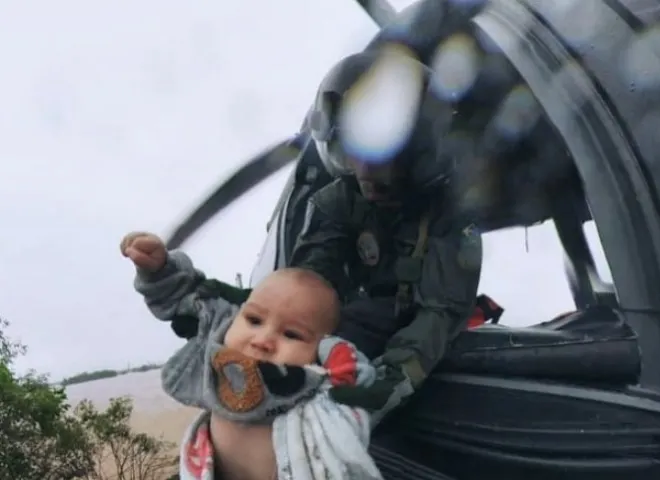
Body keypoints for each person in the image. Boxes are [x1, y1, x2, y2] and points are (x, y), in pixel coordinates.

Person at [167, 46, 483, 422]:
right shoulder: (338, 201)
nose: (367, 171)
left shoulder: (451, 216)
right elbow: (306, 283)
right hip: (360, 321)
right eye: (355, 149)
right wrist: (222, 304)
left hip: (419, 328)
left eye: (388, 154)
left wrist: (389, 383)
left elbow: (438, 313)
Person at [121, 231, 384, 480]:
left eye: (291, 335)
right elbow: (185, 297)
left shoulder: (314, 392)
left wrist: (337, 357)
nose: (263, 340)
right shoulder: (218, 348)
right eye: (254, 320)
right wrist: (159, 269)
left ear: (321, 350)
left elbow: (354, 382)